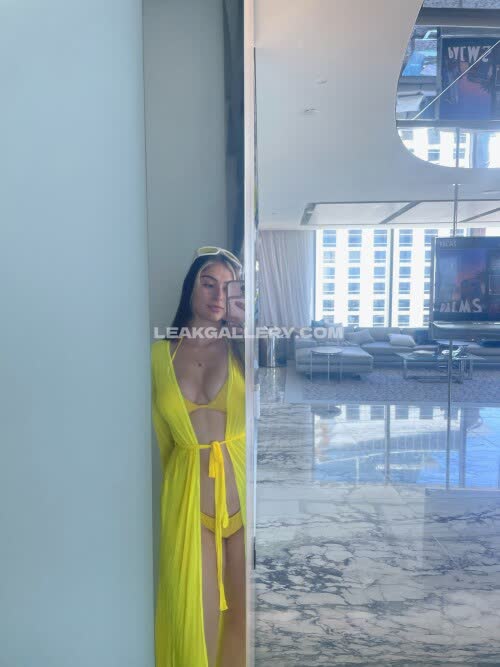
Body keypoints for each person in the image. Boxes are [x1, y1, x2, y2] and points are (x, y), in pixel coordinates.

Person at [151, 247, 246, 667]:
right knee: (194, 619)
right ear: (190, 287)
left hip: (243, 504)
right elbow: (163, 441)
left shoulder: (245, 350)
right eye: (208, 284)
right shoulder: (159, 356)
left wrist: (245, 329)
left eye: (229, 288)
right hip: (189, 505)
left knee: (244, 621)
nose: (218, 296)